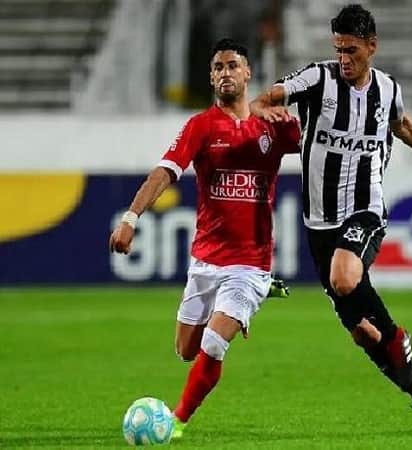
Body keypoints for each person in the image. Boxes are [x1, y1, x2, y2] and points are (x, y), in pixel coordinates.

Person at [250, 4, 412, 432]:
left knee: (344, 278)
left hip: (366, 209)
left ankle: (400, 345)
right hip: (318, 224)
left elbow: (403, 126)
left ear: (372, 46)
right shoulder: (317, 78)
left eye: (352, 50)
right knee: (366, 334)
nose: (343, 58)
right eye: (338, 49)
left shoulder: (388, 90)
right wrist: (263, 108)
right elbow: (264, 99)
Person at [109, 38, 300, 439]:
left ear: (248, 73)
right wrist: (131, 217)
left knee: (213, 344)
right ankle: (256, 295)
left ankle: (175, 422)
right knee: (187, 350)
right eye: (218, 67)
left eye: (233, 65)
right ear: (211, 77)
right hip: (206, 260)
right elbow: (164, 172)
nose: (225, 73)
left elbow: (322, 150)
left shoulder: (273, 125)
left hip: (250, 262)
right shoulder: (200, 126)